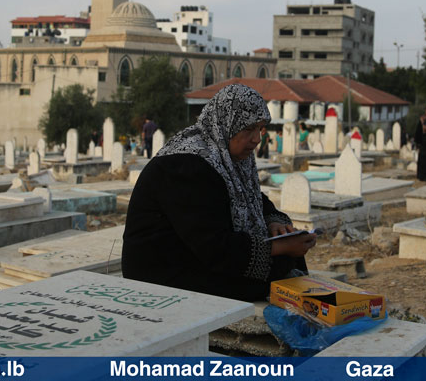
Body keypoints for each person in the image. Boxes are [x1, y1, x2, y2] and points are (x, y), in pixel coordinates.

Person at [122, 84, 316, 301]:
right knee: (274, 271)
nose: (257, 139)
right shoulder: (185, 165)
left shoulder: (225, 154)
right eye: (248, 129)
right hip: (163, 268)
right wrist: (279, 246)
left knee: (285, 262)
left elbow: (251, 196)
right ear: (227, 123)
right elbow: (214, 245)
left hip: (198, 254)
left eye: (260, 129)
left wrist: (274, 223)